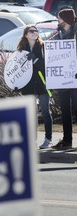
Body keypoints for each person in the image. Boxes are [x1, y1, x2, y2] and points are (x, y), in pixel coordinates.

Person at [17, 25, 53, 149]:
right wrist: (16, 83)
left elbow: (47, 64)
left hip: (42, 83)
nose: (34, 33)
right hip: (28, 85)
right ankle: (32, 140)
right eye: (31, 31)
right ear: (26, 34)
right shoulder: (21, 49)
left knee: (45, 111)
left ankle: (48, 139)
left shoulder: (43, 47)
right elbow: (17, 68)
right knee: (31, 113)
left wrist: (36, 60)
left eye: (36, 31)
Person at [51, 8, 77, 150]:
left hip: (75, 79)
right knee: (65, 111)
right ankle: (67, 140)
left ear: (66, 19)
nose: (58, 21)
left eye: (59, 19)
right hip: (62, 79)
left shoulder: (75, 34)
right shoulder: (57, 34)